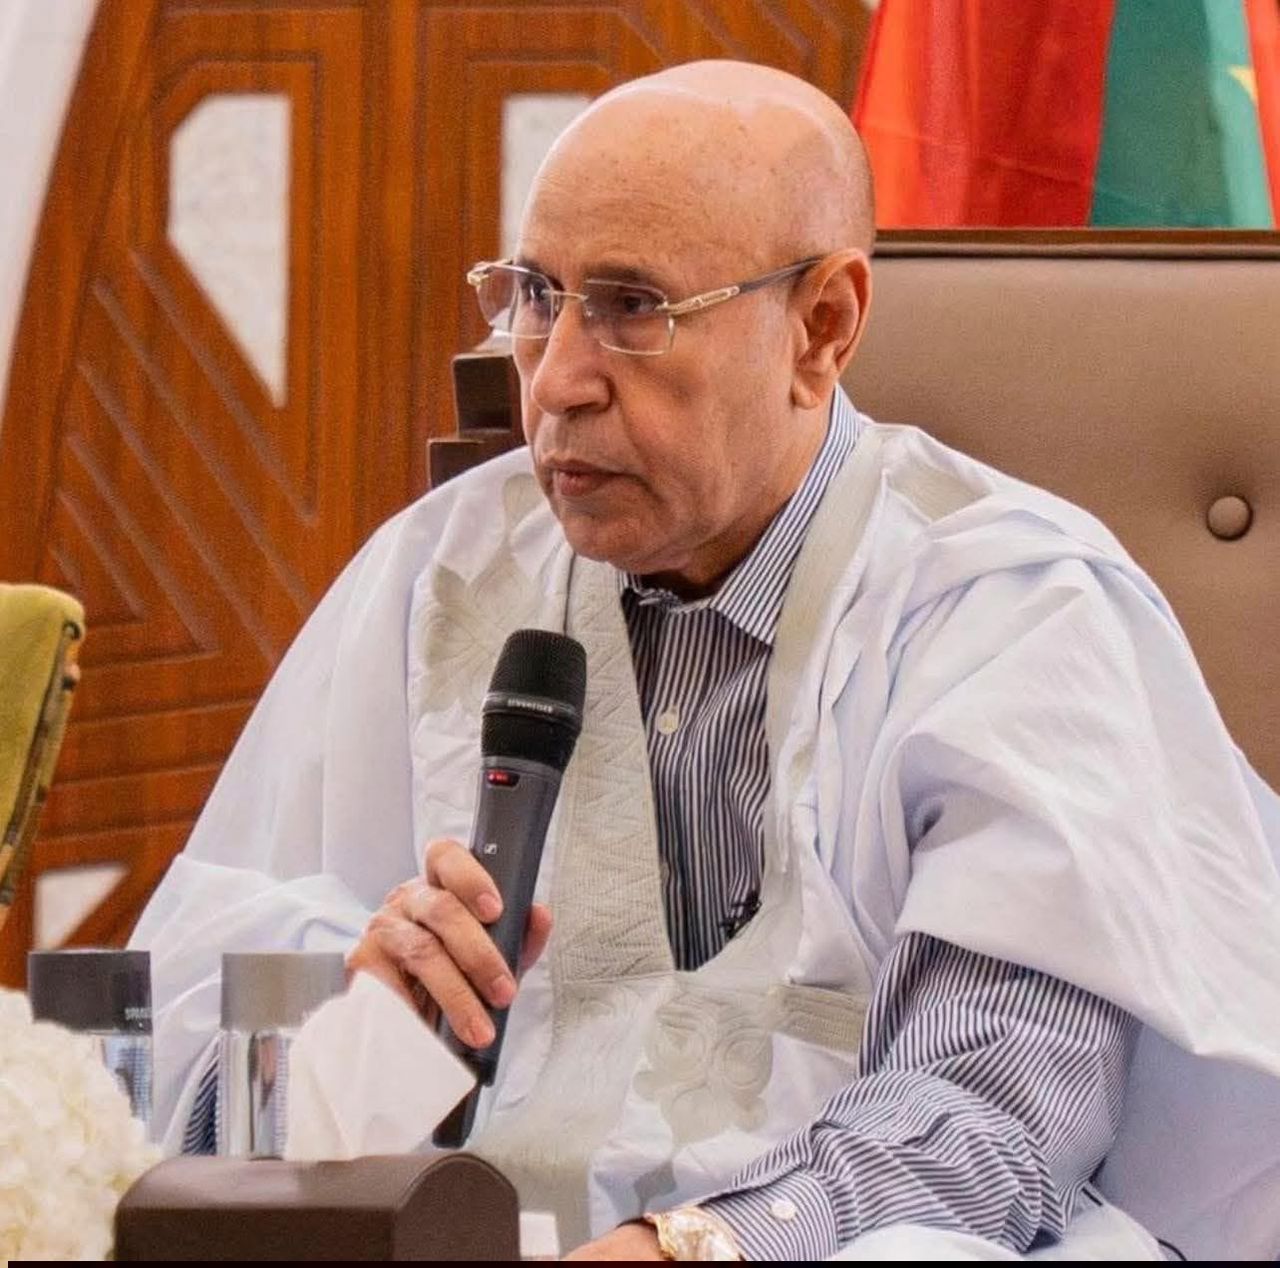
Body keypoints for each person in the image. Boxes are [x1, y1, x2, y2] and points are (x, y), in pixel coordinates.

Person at [131, 60, 1280, 1260]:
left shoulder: (1007, 610)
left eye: (632, 306)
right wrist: (364, 1045)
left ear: (821, 327)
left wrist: (695, 1245)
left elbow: (990, 1120)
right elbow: (202, 1094)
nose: (555, 381)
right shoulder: (443, 573)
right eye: (536, 296)